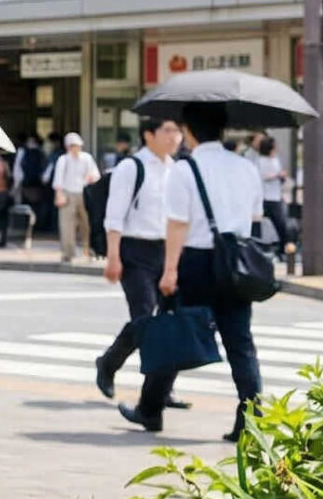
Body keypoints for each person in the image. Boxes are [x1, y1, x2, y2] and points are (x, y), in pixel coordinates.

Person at [122, 104, 266, 439]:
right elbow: (256, 217)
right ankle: (250, 421)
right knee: (240, 343)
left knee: (175, 332)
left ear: (189, 131)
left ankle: (150, 409)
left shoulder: (185, 170)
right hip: (235, 263)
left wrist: (169, 271)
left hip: (196, 262)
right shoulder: (246, 167)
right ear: (223, 130)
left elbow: (177, 225)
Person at [93, 118, 184, 408]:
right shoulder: (131, 167)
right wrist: (113, 256)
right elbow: (115, 215)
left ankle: (160, 386)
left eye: (178, 131)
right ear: (148, 134)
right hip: (135, 251)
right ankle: (112, 367)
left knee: (171, 320)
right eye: (168, 131)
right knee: (145, 318)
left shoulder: (177, 170)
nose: (175, 137)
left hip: (166, 250)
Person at [50, 132, 98, 263]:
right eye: (72, 146)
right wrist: (59, 195)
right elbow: (58, 179)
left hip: (84, 193)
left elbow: (95, 174)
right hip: (68, 193)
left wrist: (90, 178)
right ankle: (68, 253)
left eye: (77, 146)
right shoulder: (63, 159)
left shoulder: (87, 158)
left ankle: (89, 251)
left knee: (87, 224)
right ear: (68, 147)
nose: (75, 148)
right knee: (67, 225)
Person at [254, 134, 291, 269]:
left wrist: (281, 177)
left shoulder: (276, 160)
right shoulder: (259, 161)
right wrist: (277, 175)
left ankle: (283, 250)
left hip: (275, 196)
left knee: (281, 225)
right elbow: (262, 177)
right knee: (256, 224)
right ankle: (256, 250)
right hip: (263, 197)